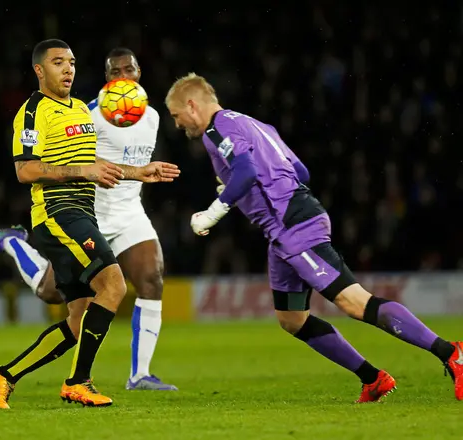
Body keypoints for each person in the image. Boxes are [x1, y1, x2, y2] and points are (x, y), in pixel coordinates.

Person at [164, 72, 463, 402]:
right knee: (292, 319)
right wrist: (250, 184)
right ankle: (373, 378)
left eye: (177, 116)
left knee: (353, 302)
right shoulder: (258, 125)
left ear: (192, 105)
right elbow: (300, 172)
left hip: (293, 224)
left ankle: (451, 352)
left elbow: (247, 172)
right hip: (285, 230)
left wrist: (214, 211)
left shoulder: (216, 128)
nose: (178, 125)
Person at [0, 39, 180, 409]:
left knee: (77, 316)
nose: (67, 69)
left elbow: (95, 165)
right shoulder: (33, 111)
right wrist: (82, 169)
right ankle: (78, 381)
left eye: (70, 62)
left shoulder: (80, 110)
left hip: (82, 213)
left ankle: (4, 374)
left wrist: (138, 172)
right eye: (57, 63)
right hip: (56, 213)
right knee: (114, 285)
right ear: (40, 70)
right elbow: (26, 170)